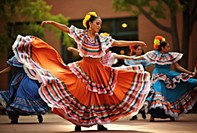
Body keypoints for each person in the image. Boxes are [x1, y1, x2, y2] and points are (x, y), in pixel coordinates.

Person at [11, 11, 151, 131]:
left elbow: (117, 43)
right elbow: (66, 29)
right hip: (83, 68)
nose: (99, 26)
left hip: (98, 70)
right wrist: (51, 22)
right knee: (81, 95)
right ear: (90, 24)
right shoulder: (81, 35)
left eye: (100, 24)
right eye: (97, 23)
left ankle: (100, 123)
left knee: (99, 97)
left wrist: (135, 42)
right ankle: (78, 123)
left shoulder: (101, 39)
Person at [133, 35, 197, 122]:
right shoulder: (154, 54)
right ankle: (153, 116)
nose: (169, 48)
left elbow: (178, 67)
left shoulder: (171, 55)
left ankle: (171, 114)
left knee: (169, 94)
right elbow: (142, 57)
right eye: (167, 47)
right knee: (157, 94)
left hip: (168, 76)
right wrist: (129, 58)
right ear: (162, 48)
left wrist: (189, 72)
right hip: (157, 77)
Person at [0, 56, 50, 124]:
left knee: (17, 97)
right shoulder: (26, 57)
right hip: (26, 80)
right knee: (27, 96)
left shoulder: (25, 57)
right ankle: (38, 114)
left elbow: (9, 69)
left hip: (25, 80)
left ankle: (15, 118)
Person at [124, 44, 151, 120]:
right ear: (134, 50)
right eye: (138, 49)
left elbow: (148, 63)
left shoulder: (143, 58)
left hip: (142, 79)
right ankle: (134, 114)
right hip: (133, 79)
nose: (140, 50)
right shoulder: (131, 59)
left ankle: (142, 110)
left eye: (140, 49)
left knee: (142, 94)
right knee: (133, 96)